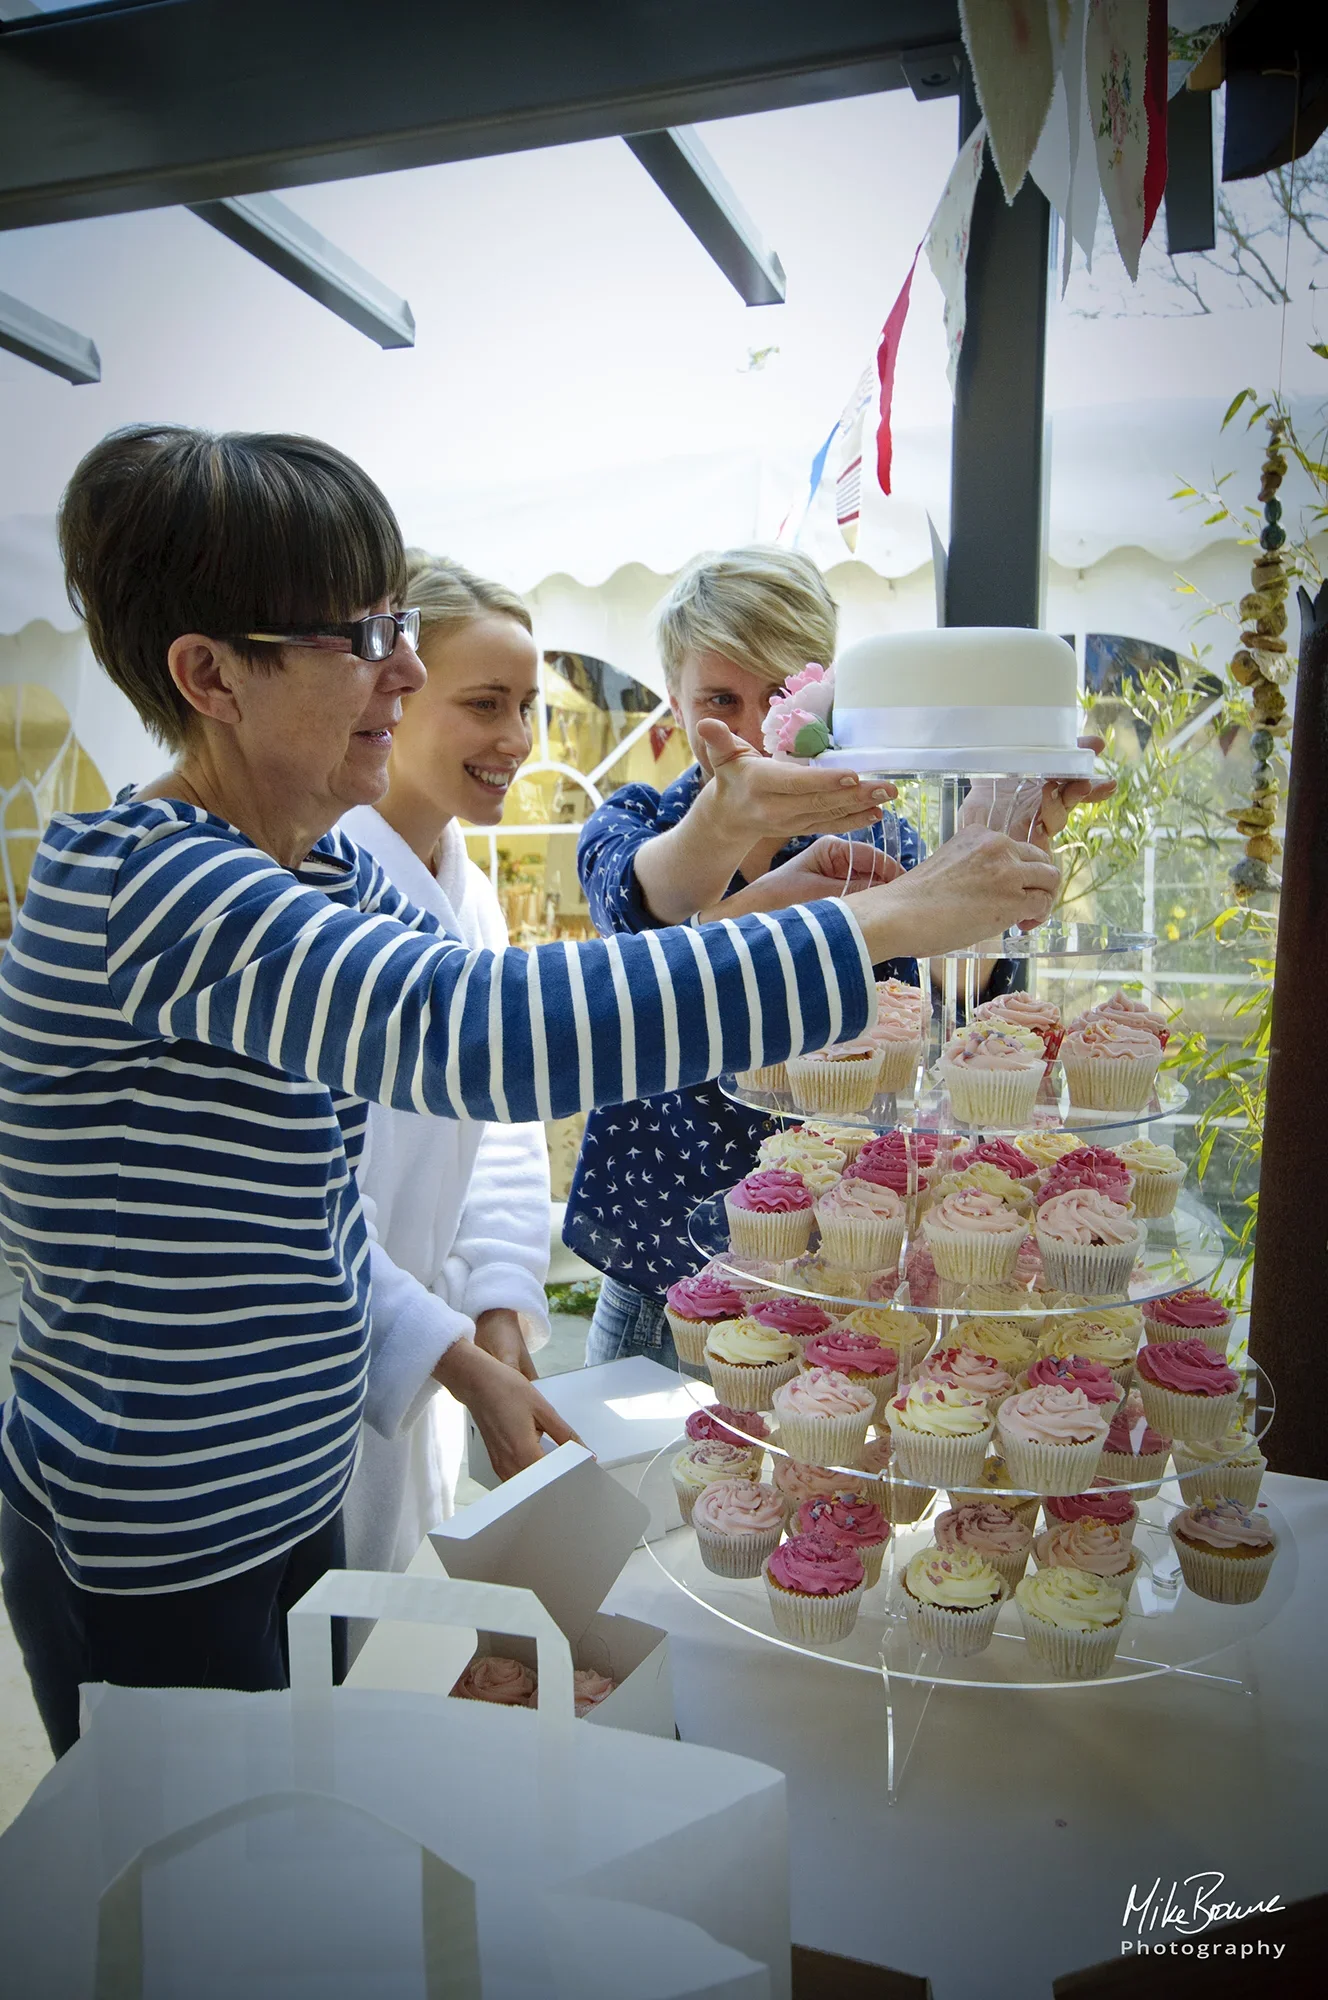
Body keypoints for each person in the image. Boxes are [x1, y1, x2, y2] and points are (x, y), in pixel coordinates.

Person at [0, 427, 1057, 1755]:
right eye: (360, 634)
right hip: (152, 1528)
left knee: (270, 1851)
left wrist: (461, 1358)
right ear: (210, 676)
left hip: (273, 1497)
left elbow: (305, 1210)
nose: (402, 667)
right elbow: (485, 1036)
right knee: (183, 1901)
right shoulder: (153, 885)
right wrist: (888, 917)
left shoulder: (293, 871)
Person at [566, 546, 1109, 1369]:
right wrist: (761, 883)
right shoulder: (636, 823)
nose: (749, 730)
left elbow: (947, 992)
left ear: (829, 695)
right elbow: (654, 911)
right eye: (719, 699)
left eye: (781, 695)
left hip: (834, 1272)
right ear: (674, 702)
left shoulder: (881, 836)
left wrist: (1000, 844)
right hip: (664, 1276)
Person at [339, 552, 552, 1575]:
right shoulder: (308, 891)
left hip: (420, 1379)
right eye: (483, 703)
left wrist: (501, 1297)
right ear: (393, 689)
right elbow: (302, 1195)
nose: (515, 739)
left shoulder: (471, 895)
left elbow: (503, 1117)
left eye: (527, 705)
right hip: (310, 1392)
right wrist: (448, 1350)